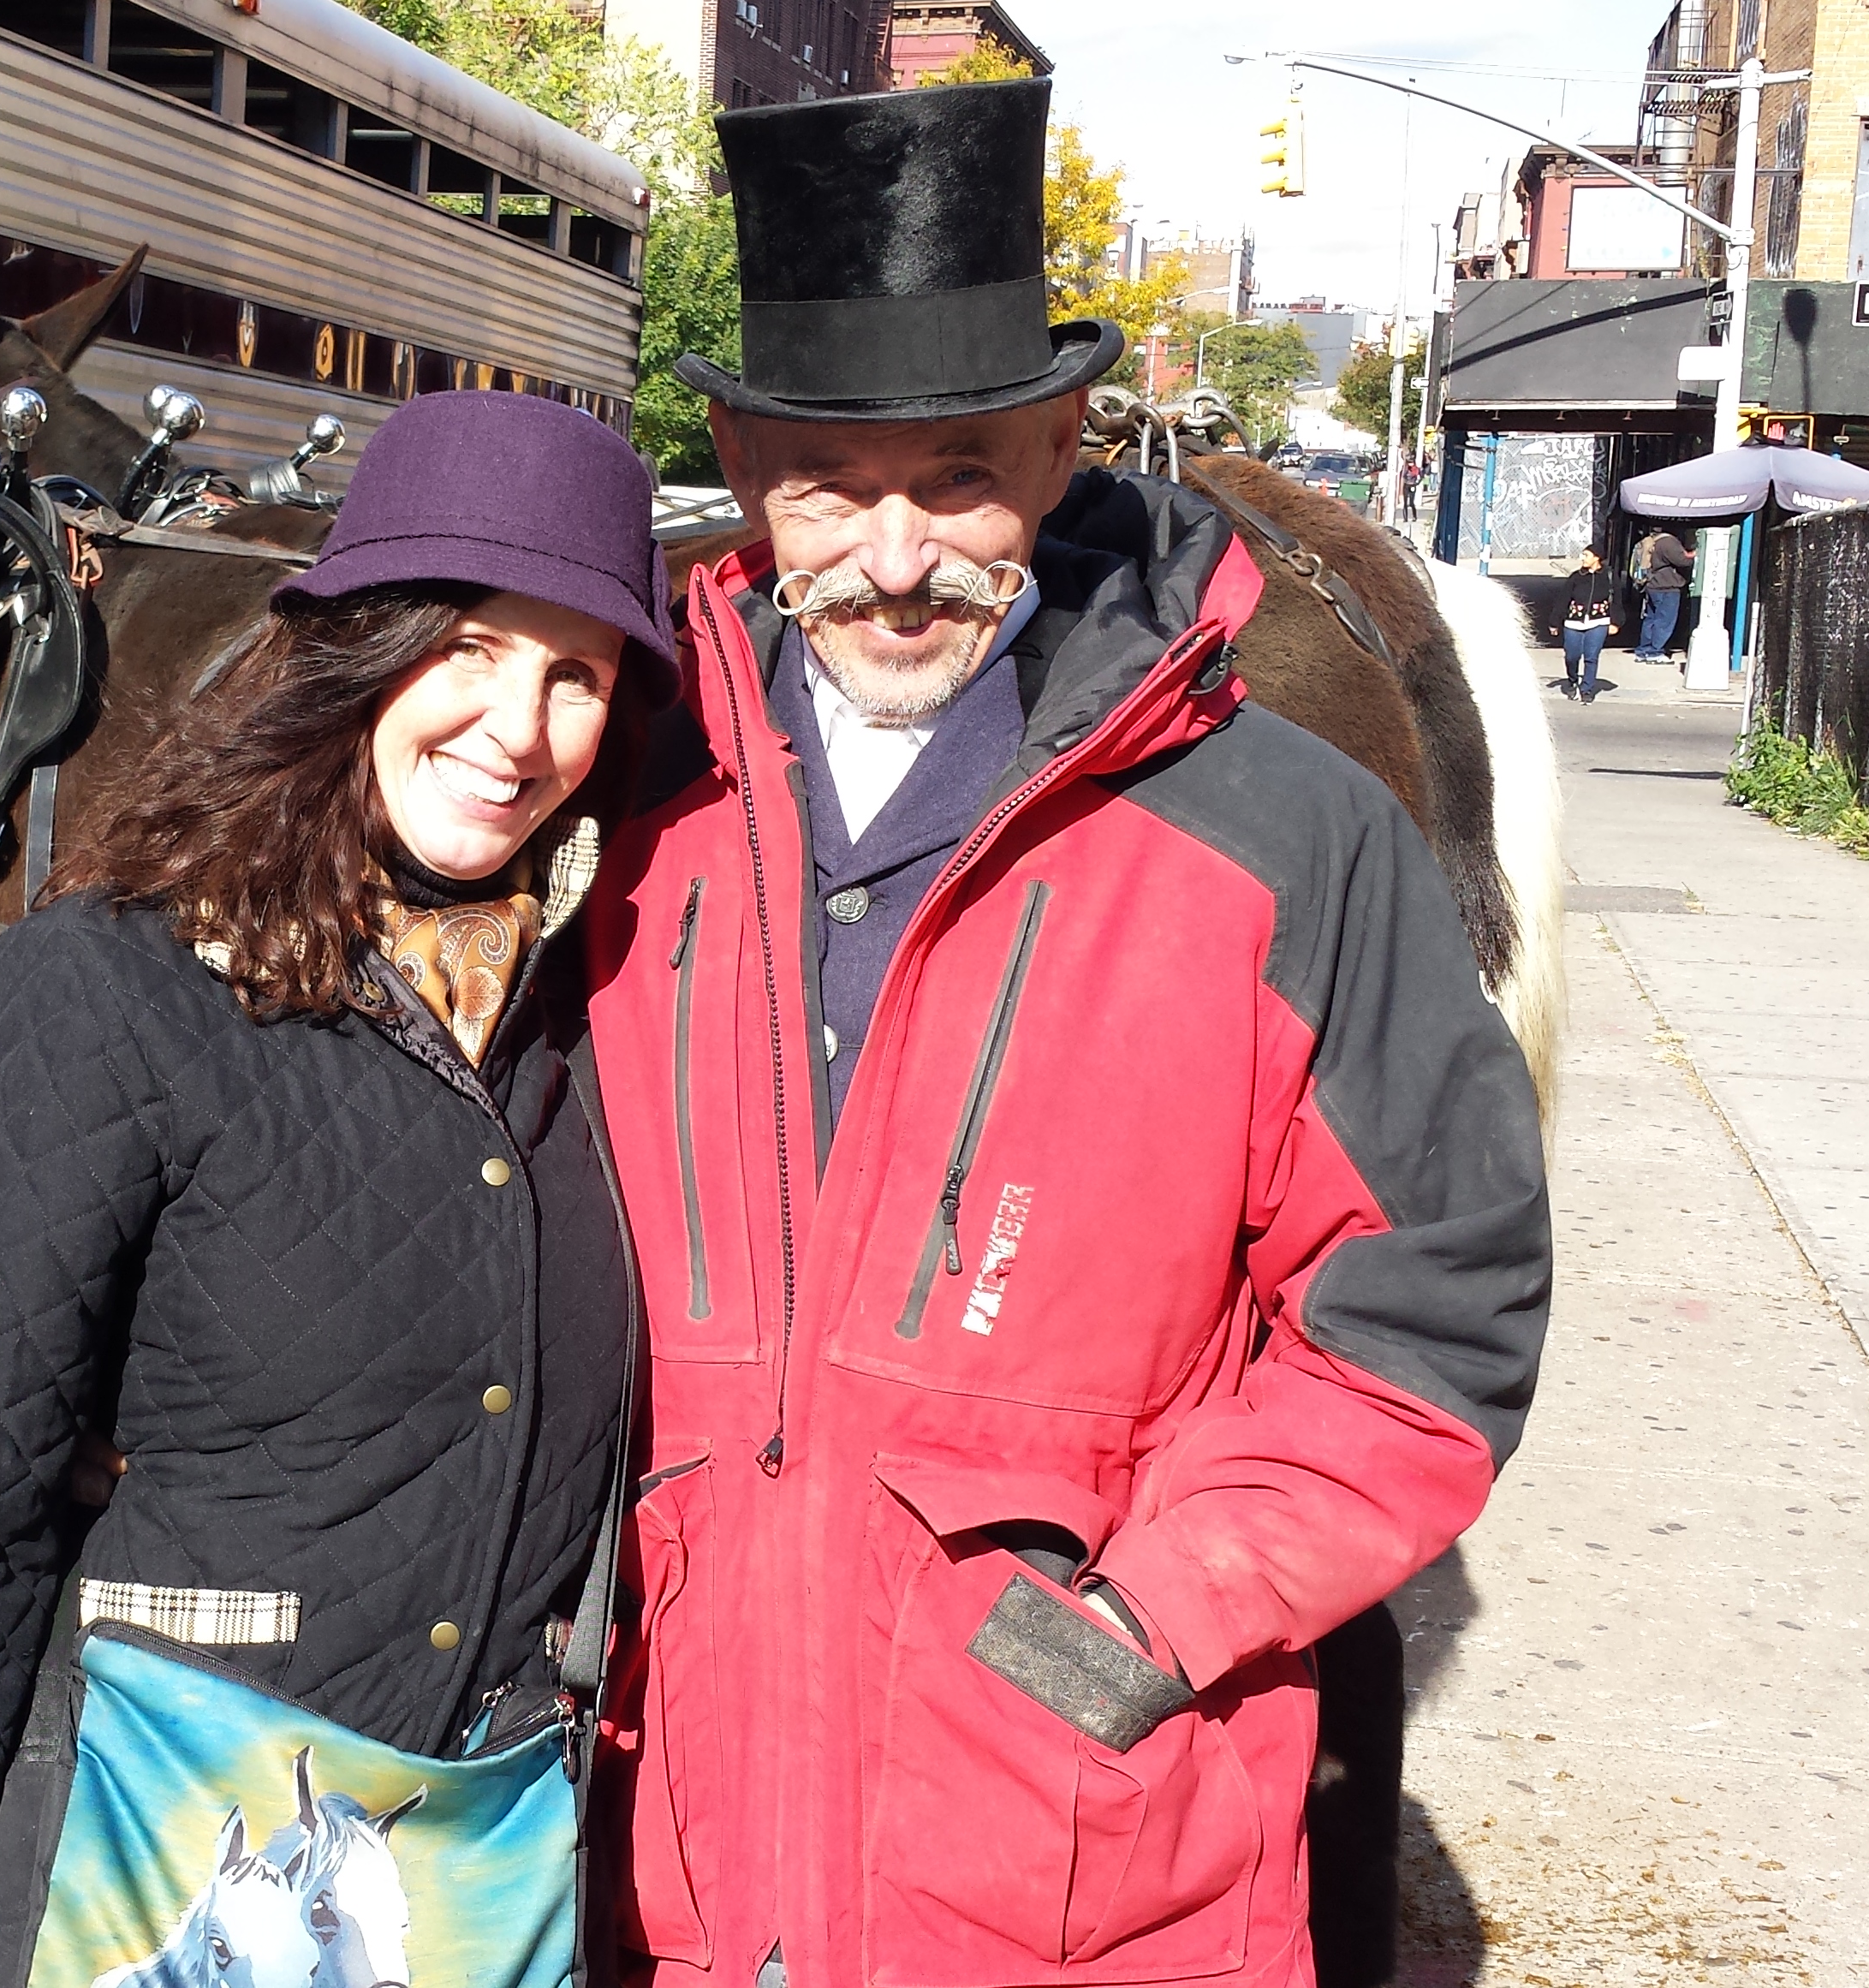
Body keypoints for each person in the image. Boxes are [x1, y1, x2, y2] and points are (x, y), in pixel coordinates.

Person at [575, 80, 1551, 1988]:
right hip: (663, 1863)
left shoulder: (1285, 837)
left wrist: (1140, 1627)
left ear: (1061, 450)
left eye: (959, 476)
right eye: (829, 486)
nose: (895, 554)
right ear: (734, 462)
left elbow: (1432, 1309)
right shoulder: (621, 806)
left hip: (1078, 1879)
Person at [0, 390, 675, 1988]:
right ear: (353, 646)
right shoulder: (107, 990)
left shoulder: (592, 1026)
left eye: (575, 675)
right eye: (463, 645)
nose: (515, 726)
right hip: (161, 1883)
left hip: (470, 1906)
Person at [1634, 525, 1694, 659]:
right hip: (1667, 586)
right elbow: (1683, 561)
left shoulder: (1651, 540)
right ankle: (1655, 652)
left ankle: (1644, 650)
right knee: (1665, 621)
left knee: (1650, 619)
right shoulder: (1669, 542)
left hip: (1652, 584)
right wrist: (1694, 555)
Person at [1562, 546, 1612, 702]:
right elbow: (1563, 599)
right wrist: (1554, 621)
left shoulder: (1608, 576)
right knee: (1572, 656)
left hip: (1599, 622)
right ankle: (1572, 681)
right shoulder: (1575, 577)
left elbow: (1616, 599)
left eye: (1586, 555)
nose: (1583, 558)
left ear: (1596, 558)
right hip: (1574, 622)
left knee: (1591, 657)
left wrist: (1616, 621)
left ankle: (1587, 689)